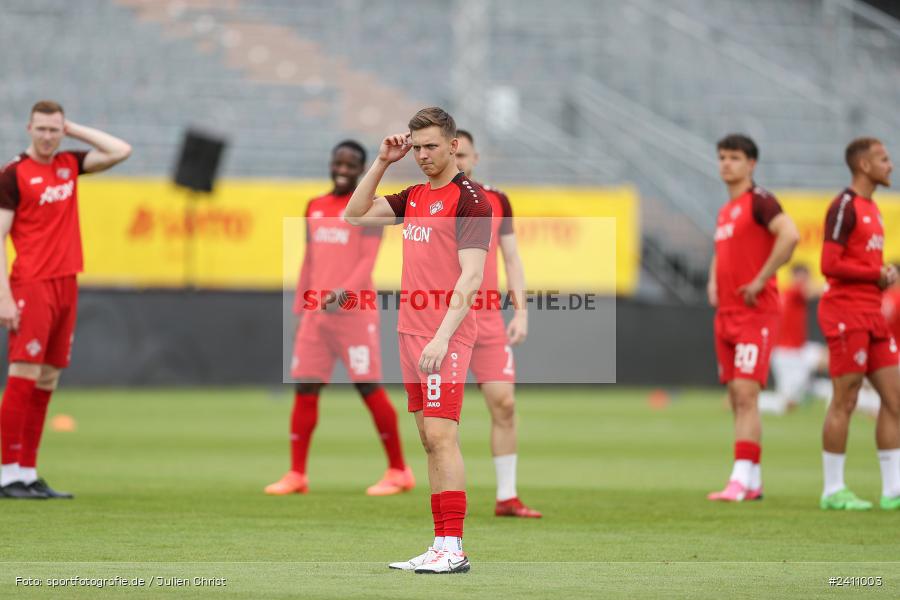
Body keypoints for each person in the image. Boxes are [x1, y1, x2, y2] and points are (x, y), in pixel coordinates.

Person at [344, 107, 491, 574]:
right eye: (417, 146)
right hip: (411, 330)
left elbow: (471, 277)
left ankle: (454, 547)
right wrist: (383, 161)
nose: (423, 155)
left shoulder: (471, 201)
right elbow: (354, 214)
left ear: (453, 145)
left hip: (443, 335)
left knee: (443, 435)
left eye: (431, 146)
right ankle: (440, 542)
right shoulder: (413, 196)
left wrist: (443, 338)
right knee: (429, 437)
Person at [265, 141, 413, 497]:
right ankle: (297, 474)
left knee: (368, 388)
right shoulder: (314, 206)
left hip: (354, 315)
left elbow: (367, 262)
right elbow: (309, 261)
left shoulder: (366, 210)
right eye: (338, 162)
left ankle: (398, 470)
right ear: (331, 164)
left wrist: (342, 293)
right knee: (305, 389)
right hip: (317, 317)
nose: (343, 169)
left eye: (351, 165)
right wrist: (302, 309)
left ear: (362, 169)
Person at [0, 100, 131, 499]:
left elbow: (120, 151)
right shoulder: (13, 174)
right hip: (31, 284)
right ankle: (6, 473)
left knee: (48, 377)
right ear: (29, 128)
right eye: (41, 129)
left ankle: (27, 471)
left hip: (65, 283)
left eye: (54, 129)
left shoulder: (69, 164)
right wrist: (3, 297)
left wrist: (75, 129)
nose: (47, 136)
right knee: (23, 373)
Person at [706, 134, 799, 502]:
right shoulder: (725, 210)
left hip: (754, 314)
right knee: (736, 395)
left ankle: (739, 479)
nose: (726, 164)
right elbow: (722, 250)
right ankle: (753, 479)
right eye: (722, 157)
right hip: (726, 314)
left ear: (751, 164)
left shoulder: (760, 201)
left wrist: (761, 279)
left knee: (746, 393)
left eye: (734, 158)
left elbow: (790, 235)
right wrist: (714, 280)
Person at [453, 129, 540, 518]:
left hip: (486, 317)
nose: (458, 163)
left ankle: (507, 496)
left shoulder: (496, 200)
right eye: (452, 155)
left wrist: (520, 311)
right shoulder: (428, 200)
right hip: (445, 318)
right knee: (438, 420)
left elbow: (512, 259)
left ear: (474, 158)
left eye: (464, 156)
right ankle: (446, 500)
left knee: (503, 403)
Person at [817, 137, 900, 511]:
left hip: (872, 312)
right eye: (884, 159)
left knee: (895, 398)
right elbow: (829, 264)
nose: (890, 165)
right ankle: (833, 489)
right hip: (846, 312)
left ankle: (892, 490)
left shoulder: (873, 208)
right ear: (864, 165)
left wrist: (885, 274)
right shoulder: (844, 206)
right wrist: (874, 273)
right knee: (846, 399)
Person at [758, 264, 827, 415]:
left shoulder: (784, 293)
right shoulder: (794, 291)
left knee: (830, 358)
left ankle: (813, 389)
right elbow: (816, 290)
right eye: (806, 278)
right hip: (788, 356)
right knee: (786, 404)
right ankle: (749, 400)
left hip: (797, 350)